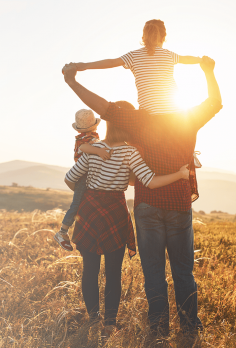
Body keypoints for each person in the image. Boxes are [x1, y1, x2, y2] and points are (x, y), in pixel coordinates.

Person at [61, 56, 222, 342]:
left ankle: (157, 329)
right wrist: (208, 72)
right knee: (183, 272)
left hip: (144, 206)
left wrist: (73, 80)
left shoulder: (137, 120)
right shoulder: (187, 117)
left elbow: (103, 108)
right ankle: (189, 328)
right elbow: (214, 102)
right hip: (178, 205)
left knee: (153, 273)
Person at [64, 116, 190, 338]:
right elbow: (149, 181)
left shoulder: (93, 148)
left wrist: (87, 191)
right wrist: (180, 174)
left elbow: (70, 177)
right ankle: (110, 324)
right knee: (113, 273)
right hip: (115, 212)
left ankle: (94, 319)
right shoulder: (130, 152)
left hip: (90, 211)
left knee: (90, 270)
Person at [71, 19, 202, 115]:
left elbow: (111, 62)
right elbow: (187, 58)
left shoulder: (133, 56)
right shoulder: (169, 55)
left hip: (148, 114)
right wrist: (202, 60)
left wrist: (82, 66)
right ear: (163, 37)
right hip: (175, 113)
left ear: (143, 37)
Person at [54, 109, 105, 251]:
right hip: (83, 175)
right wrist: (99, 151)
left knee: (82, 204)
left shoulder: (91, 136)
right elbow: (83, 148)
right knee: (76, 205)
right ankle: (62, 232)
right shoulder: (84, 139)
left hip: (87, 174)